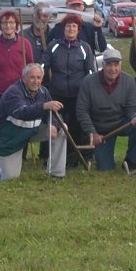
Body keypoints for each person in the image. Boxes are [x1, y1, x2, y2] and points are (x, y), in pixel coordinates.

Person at [0, 63, 66, 181]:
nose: (36, 81)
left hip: (31, 132)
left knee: (63, 128)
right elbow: (21, 112)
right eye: (32, 77)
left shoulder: (43, 92)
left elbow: (53, 114)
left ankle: (57, 173)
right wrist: (44, 106)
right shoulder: (13, 92)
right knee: (9, 178)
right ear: (24, 78)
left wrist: (54, 124)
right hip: (9, 137)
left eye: (39, 78)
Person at [77, 51, 136, 171]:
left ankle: (130, 161)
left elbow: (132, 107)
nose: (113, 69)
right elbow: (82, 111)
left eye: (116, 64)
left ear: (121, 65)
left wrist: (135, 116)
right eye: (109, 64)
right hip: (100, 129)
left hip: (120, 123)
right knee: (106, 168)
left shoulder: (129, 81)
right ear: (103, 64)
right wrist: (93, 133)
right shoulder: (88, 82)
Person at [45, 13, 96, 165]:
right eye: (68, 26)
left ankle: (76, 157)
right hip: (57, 94)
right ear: (63, 28)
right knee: (56, 125)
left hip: (78, 95)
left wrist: (89, 90)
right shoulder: (53, 46)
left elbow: (91, 71)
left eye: (74, 26)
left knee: (75, 126)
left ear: (78, 29)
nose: (71, 29)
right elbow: (43, 66)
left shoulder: (84, 47)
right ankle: (53, 157)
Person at [22, 5, 50, 70]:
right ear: (32, 16)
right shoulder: (23, 35)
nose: (41, 18)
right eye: (38, 15)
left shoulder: (54, 35)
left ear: (49, 17)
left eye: (45, 16)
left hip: (49, 77)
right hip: (29, 77)